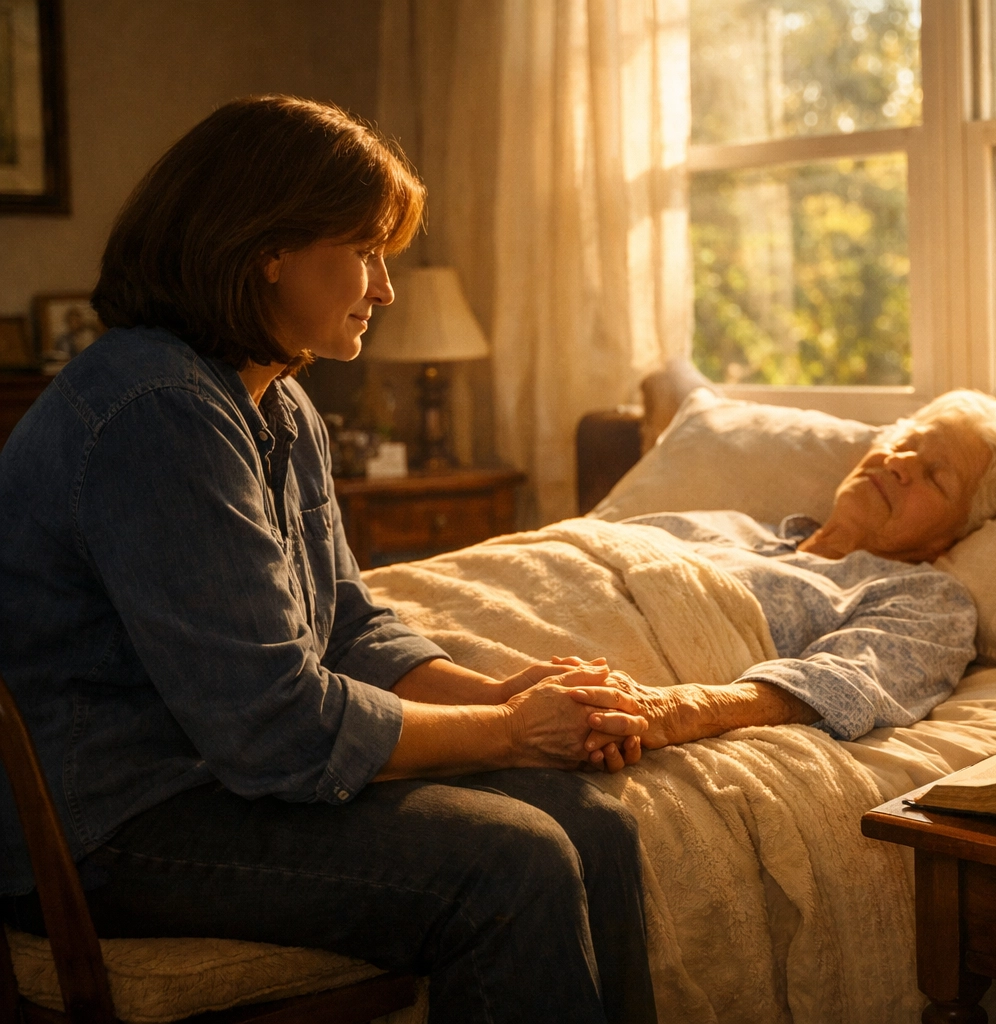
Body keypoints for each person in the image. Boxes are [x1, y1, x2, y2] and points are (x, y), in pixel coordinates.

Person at [0, 96, 657, 1024]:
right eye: (365, 251)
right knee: (514, 865)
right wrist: (514, 732)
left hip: (210, 781)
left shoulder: (278, 398)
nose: (384, 288)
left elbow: (348, 626)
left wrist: (507, 694)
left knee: (596, 822)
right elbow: (280, 727)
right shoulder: (154, 409)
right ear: (269, 249)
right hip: (106, 825)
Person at [569, 390, 996, 750]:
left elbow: (839, 684)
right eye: (905, 445)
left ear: (958, 530)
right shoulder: (729, 526)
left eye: (935, 476)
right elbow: (577, 549)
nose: (899, 463)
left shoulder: (927, 600)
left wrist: (678, 711)